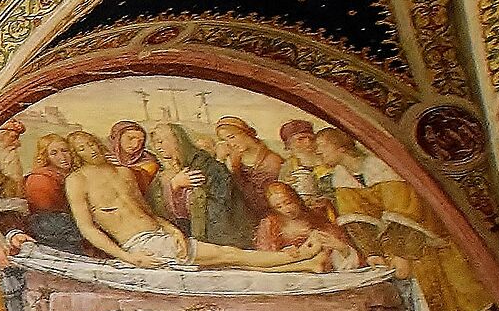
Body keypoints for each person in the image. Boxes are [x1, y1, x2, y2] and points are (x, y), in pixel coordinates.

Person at [316, 128, 497, 311]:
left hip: (421, 225)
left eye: (322, 147)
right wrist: (372, 252)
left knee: (453, 273)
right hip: (392, 234)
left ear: (340, 146)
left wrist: (400, 253)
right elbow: (355, 217)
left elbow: (403, 210)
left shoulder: (380, 166)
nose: (319, 153)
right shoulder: (341, 176)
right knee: (422, 279)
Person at [62, 133, 324, 272]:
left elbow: (146, 212)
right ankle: (300, 257)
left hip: (160, 234)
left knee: (229, 261)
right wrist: (128, 257)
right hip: (142, 245)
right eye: (83, 148)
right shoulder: (77, 180)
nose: (92, 149)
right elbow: (87, 228)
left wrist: (172, 229)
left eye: (92, 143)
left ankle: (306, 264)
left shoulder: (123, 173)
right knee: (230, 256)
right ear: (76, 154)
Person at [147, 120, 253, 248]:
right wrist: (174, 185)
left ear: (177, 140)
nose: (158, 147)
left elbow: (221, 204)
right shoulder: (165, 171)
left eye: (161, 141)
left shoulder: (207, 166)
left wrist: (178, 190)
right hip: (182, 235)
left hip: (216, 237)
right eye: (155, 143)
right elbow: (152, 205)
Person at [251, 182, 364, 272]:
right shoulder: (269, 225)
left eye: (288, 202)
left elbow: (338, 253)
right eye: (279, 207)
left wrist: (342, 248)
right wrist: (282, 253)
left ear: (296, 199)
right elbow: (264, 256)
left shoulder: (317, 219)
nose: (287, 209)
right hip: (287, 273)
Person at [214, 117, 284, 205]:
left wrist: (234, 169)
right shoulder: (235, 156)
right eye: (225, 140)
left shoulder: (271, 162)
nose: (231, 144)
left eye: (232, 137)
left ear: (247, 133)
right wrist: (220, 160)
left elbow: (257, 198)